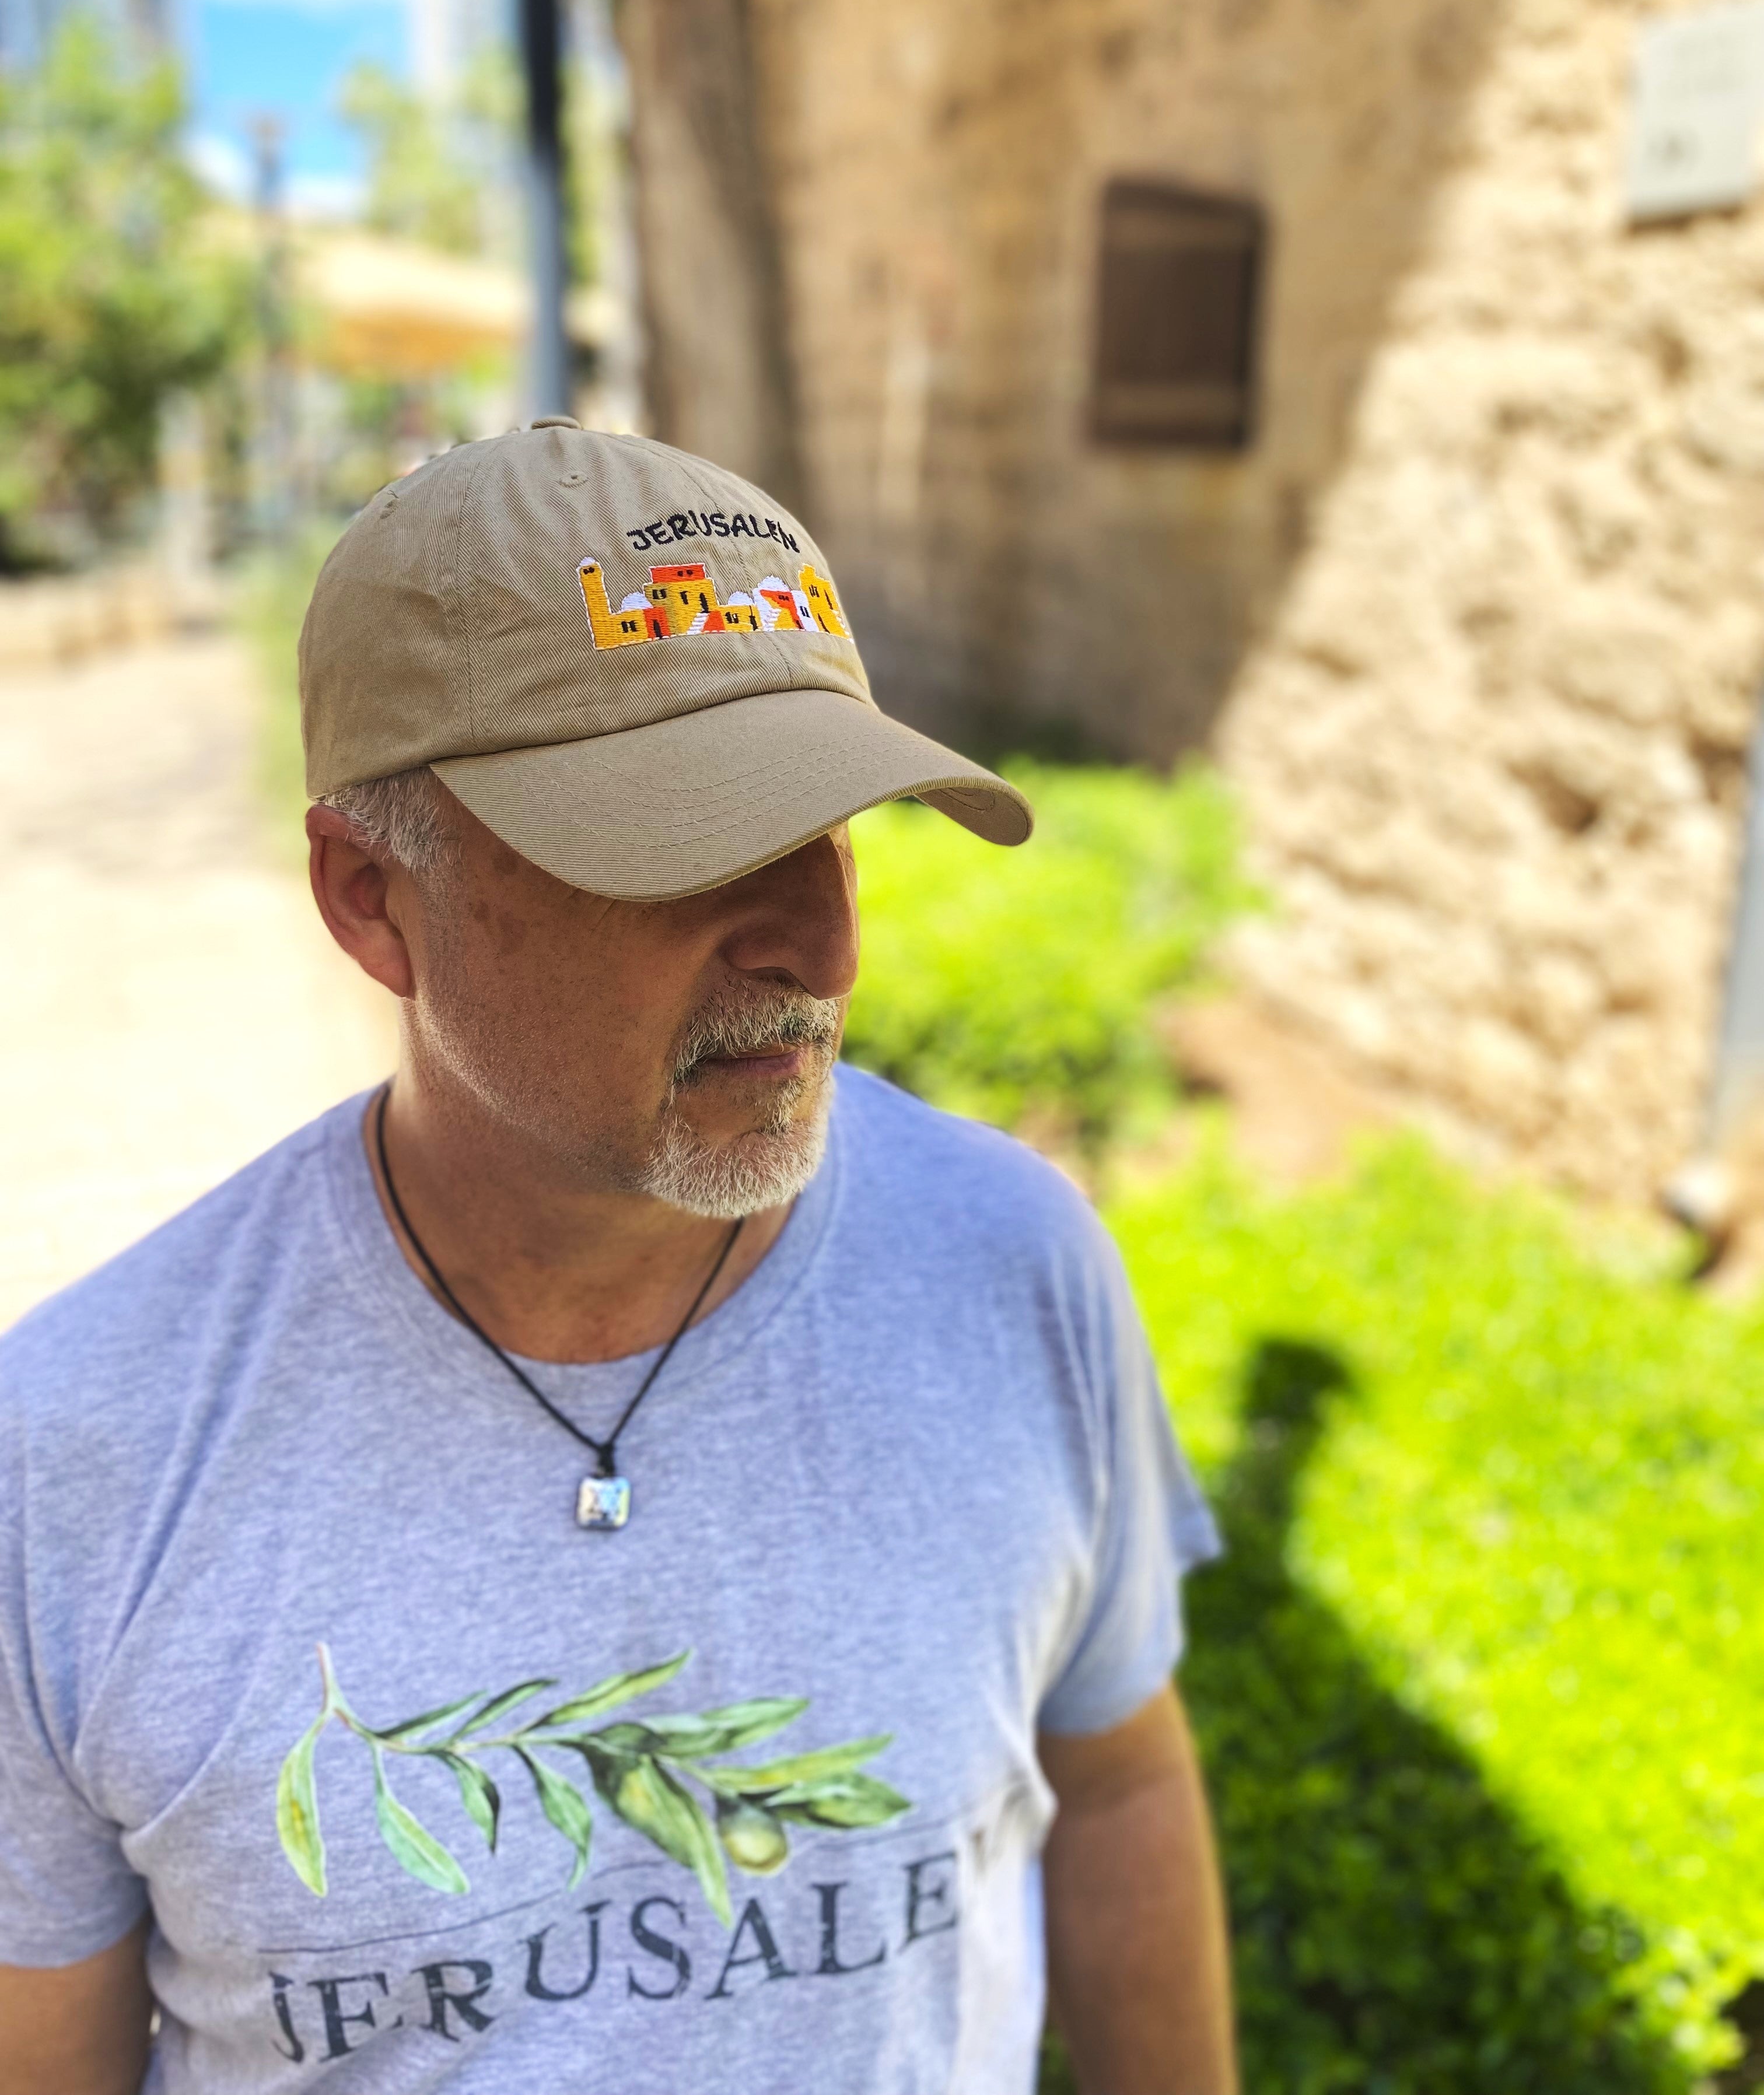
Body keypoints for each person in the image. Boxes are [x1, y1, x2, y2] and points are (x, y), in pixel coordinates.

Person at [0, 424, 1236, 2095]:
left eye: (840, 828)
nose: (820, 942)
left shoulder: (1016, 1268)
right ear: (373, 899)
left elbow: (1122, 1781)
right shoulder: (77, 1457)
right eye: (691, 851)